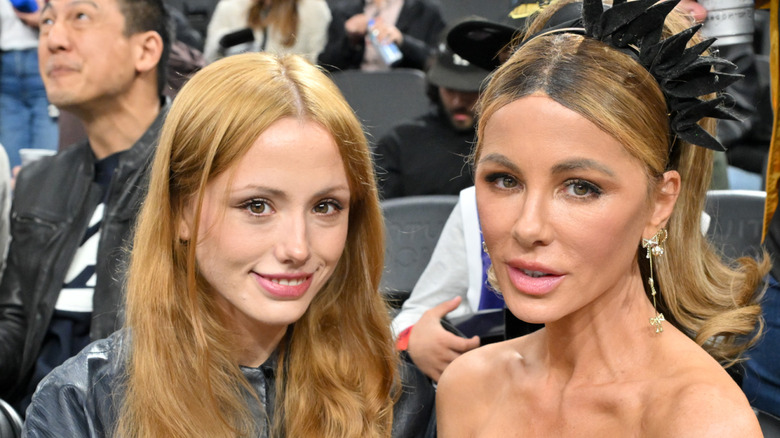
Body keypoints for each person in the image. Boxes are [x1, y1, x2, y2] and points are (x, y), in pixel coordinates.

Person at [22, 52, 434, 437]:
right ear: (181, 211)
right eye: (257, 206)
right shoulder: (81, 405)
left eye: (325, 206)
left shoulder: (399, 399)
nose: (298, 248)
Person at [436, 0, 769, 435]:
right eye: (504, 180)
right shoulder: (468, 385)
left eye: (581, 187)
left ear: (659, 203)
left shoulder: (701, 421)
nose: (528, 227)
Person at [0, 0, 171, 414]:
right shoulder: (41, 181)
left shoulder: (196, 175)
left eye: (80, 16)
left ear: (145, 51)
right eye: (45, 22)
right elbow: (15, 330)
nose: (53, 40)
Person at [374, 39, 487, 199]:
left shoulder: (507, 142)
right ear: (436, 88)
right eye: (449, 89)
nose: (457, 102)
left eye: (468, 91)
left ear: (490, 89)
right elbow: (383, 215)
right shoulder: (399, 143)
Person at [0, 0, 59, 170]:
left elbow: (58, 16)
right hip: (6, 67)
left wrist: (43, 17)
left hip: (40, 59)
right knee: (10, 158)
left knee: (44, 157)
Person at [318, 0, 444, 72]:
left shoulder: (426, 12)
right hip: (355, 88)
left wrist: (402, 41)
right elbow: (326, 65)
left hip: (404, 89)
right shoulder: (344, 12)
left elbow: (437, 62)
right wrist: (350, 41)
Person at [203, 0, 331, 64]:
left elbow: (318, 63)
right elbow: (209, 59)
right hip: (238, 90)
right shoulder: (230, 6)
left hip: (290, 94)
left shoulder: (313, 8)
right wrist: (224, 41)